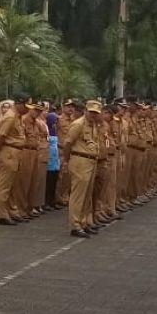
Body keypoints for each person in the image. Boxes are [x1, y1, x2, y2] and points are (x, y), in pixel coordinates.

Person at [63, 99, 102, 237]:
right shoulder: (78, 124)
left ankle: (84, 222)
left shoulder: (94, 125)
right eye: (91, 112)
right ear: (85, 110)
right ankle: (75, 225)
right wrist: (66, 161)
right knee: (78, 195)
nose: (93, 115)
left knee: (87, 195)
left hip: (91, 161)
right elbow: (67, 144)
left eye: (96, 113)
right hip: (80, 160)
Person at [0, 95, 29, 226]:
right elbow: (1, 136)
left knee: (14, 185)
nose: (27, 110)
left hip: (16, 152)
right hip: (9, 151)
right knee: (4, 185)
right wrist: (0, 150)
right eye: (26, 106)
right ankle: (2, 214)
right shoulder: (10, 116)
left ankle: (12, 211)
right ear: (20, 104)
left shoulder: (18, 116)